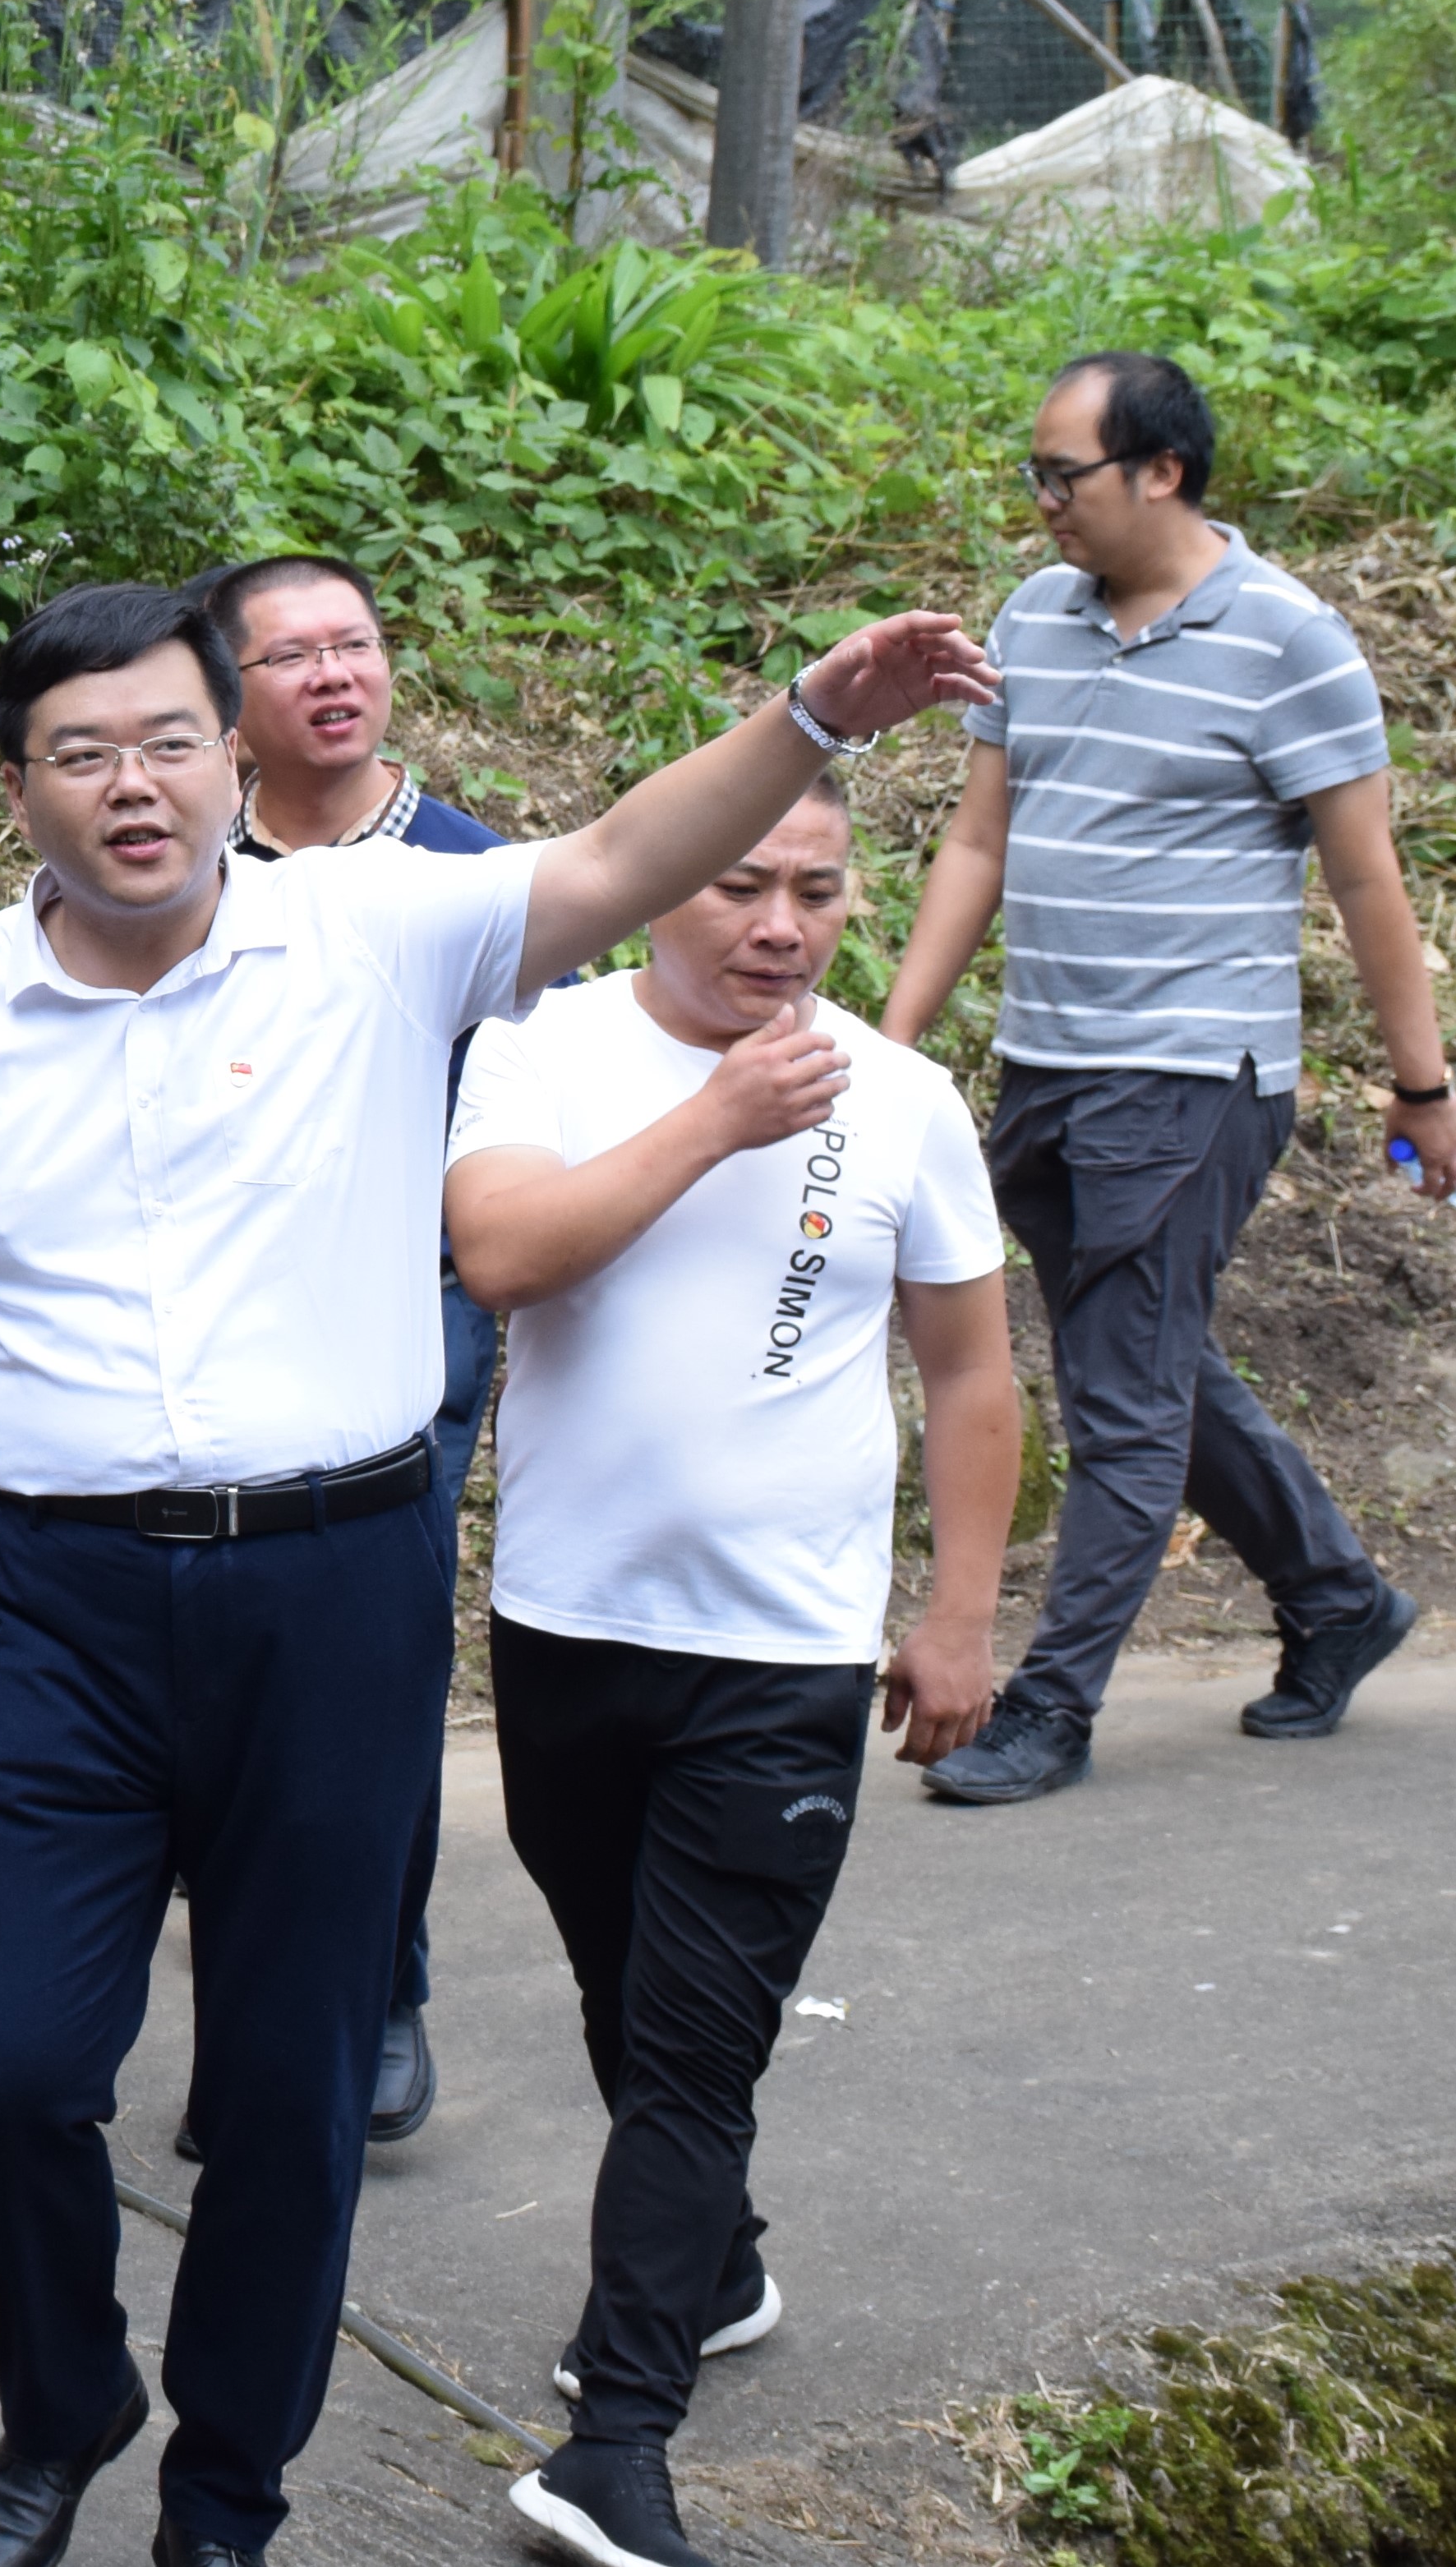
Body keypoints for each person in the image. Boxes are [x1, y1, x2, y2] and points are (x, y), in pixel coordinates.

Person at [0, 579, 994, 2567]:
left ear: (232, 750)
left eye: (169, 740)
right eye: (82, 752)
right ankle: (63, 2391)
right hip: (61, 1598)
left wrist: (818, 712)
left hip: (333, 1589)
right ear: (15, 781)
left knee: (289, 2091)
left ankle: (226, 2493)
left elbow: (631, 856)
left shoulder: (374, 929)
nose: (134, 785)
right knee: (1, 2065)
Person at [444, 781, 1019, 2567]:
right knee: (633, 1998)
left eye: (818, 892)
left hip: (779, 1650)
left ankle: (614, 2436)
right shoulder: (537, 1052)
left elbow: (972, 1375)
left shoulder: (908, 1099)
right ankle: (724, 2255)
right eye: (739, 883)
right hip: (564, 1623)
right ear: (658, 891)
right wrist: (713, 1120)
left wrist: (958, 1612)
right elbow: (501, 1257)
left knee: (695, 2049)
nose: (778, 922)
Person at [876, 350, 1454, 1804]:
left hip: (1195, 1074)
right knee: (1151, 1365)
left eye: (1062, 474)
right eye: (1037, 474)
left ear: (1162, 472)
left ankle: (1051, 1709)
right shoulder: (1035, 618)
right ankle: (1337, 1597)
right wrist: (890, 1043)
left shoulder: (1289, 637)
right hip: (1050, 1064)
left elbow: (1367, 874)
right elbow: (978, 845)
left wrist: (1420, 1081)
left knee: (1122, 1397)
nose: (1043, 501)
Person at [197, 551, 505, 2149]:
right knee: (220, 1667)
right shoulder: (182, 868)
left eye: (357, 644)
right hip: (214, 1315)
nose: (334, 672)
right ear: (224, 692)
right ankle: (265, 2009)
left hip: (415, 1313)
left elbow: (547, 1103)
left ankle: (376, 1999)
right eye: (291, 651)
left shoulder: (468, 871)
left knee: (366, 1657)